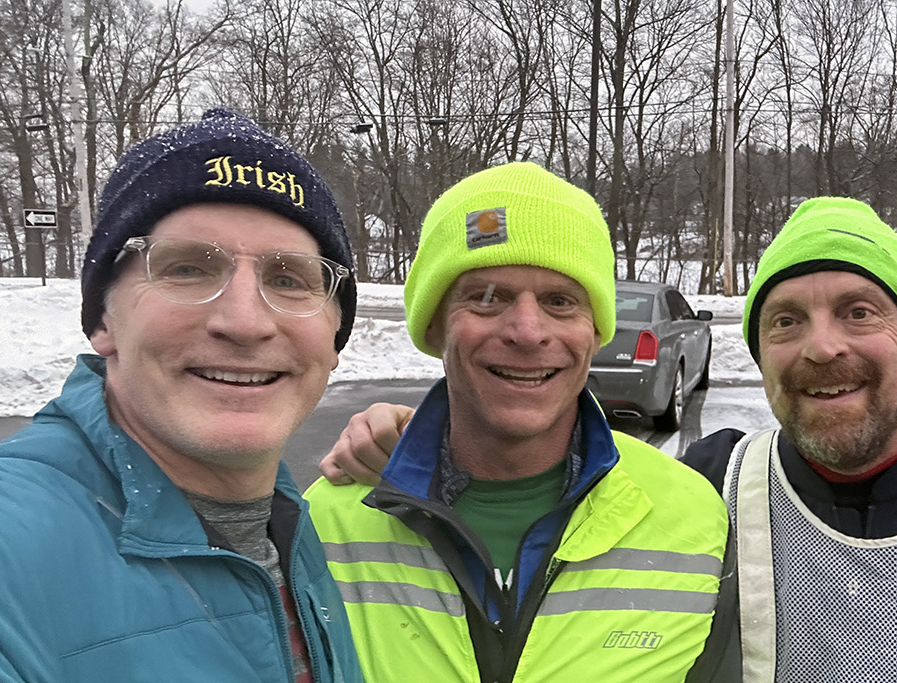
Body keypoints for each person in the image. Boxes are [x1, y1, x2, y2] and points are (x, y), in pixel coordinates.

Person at [319, 197, 897, 682]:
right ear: (761, 358)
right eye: (786, 321)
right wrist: (412, 439)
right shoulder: (714, 484)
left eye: (858, 311)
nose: (823, 346)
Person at [302, 162, 734, 683]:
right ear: (435, 325)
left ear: (595, 330)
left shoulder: (691, 516)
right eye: (487, 297)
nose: (528, 332)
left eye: (560, 301)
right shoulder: (327, 520)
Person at [0, 109, 363, 682]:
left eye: (287, 279)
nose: (245, 321)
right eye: (187, 268)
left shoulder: (291, 526)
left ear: (333, 338)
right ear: (103, 320)